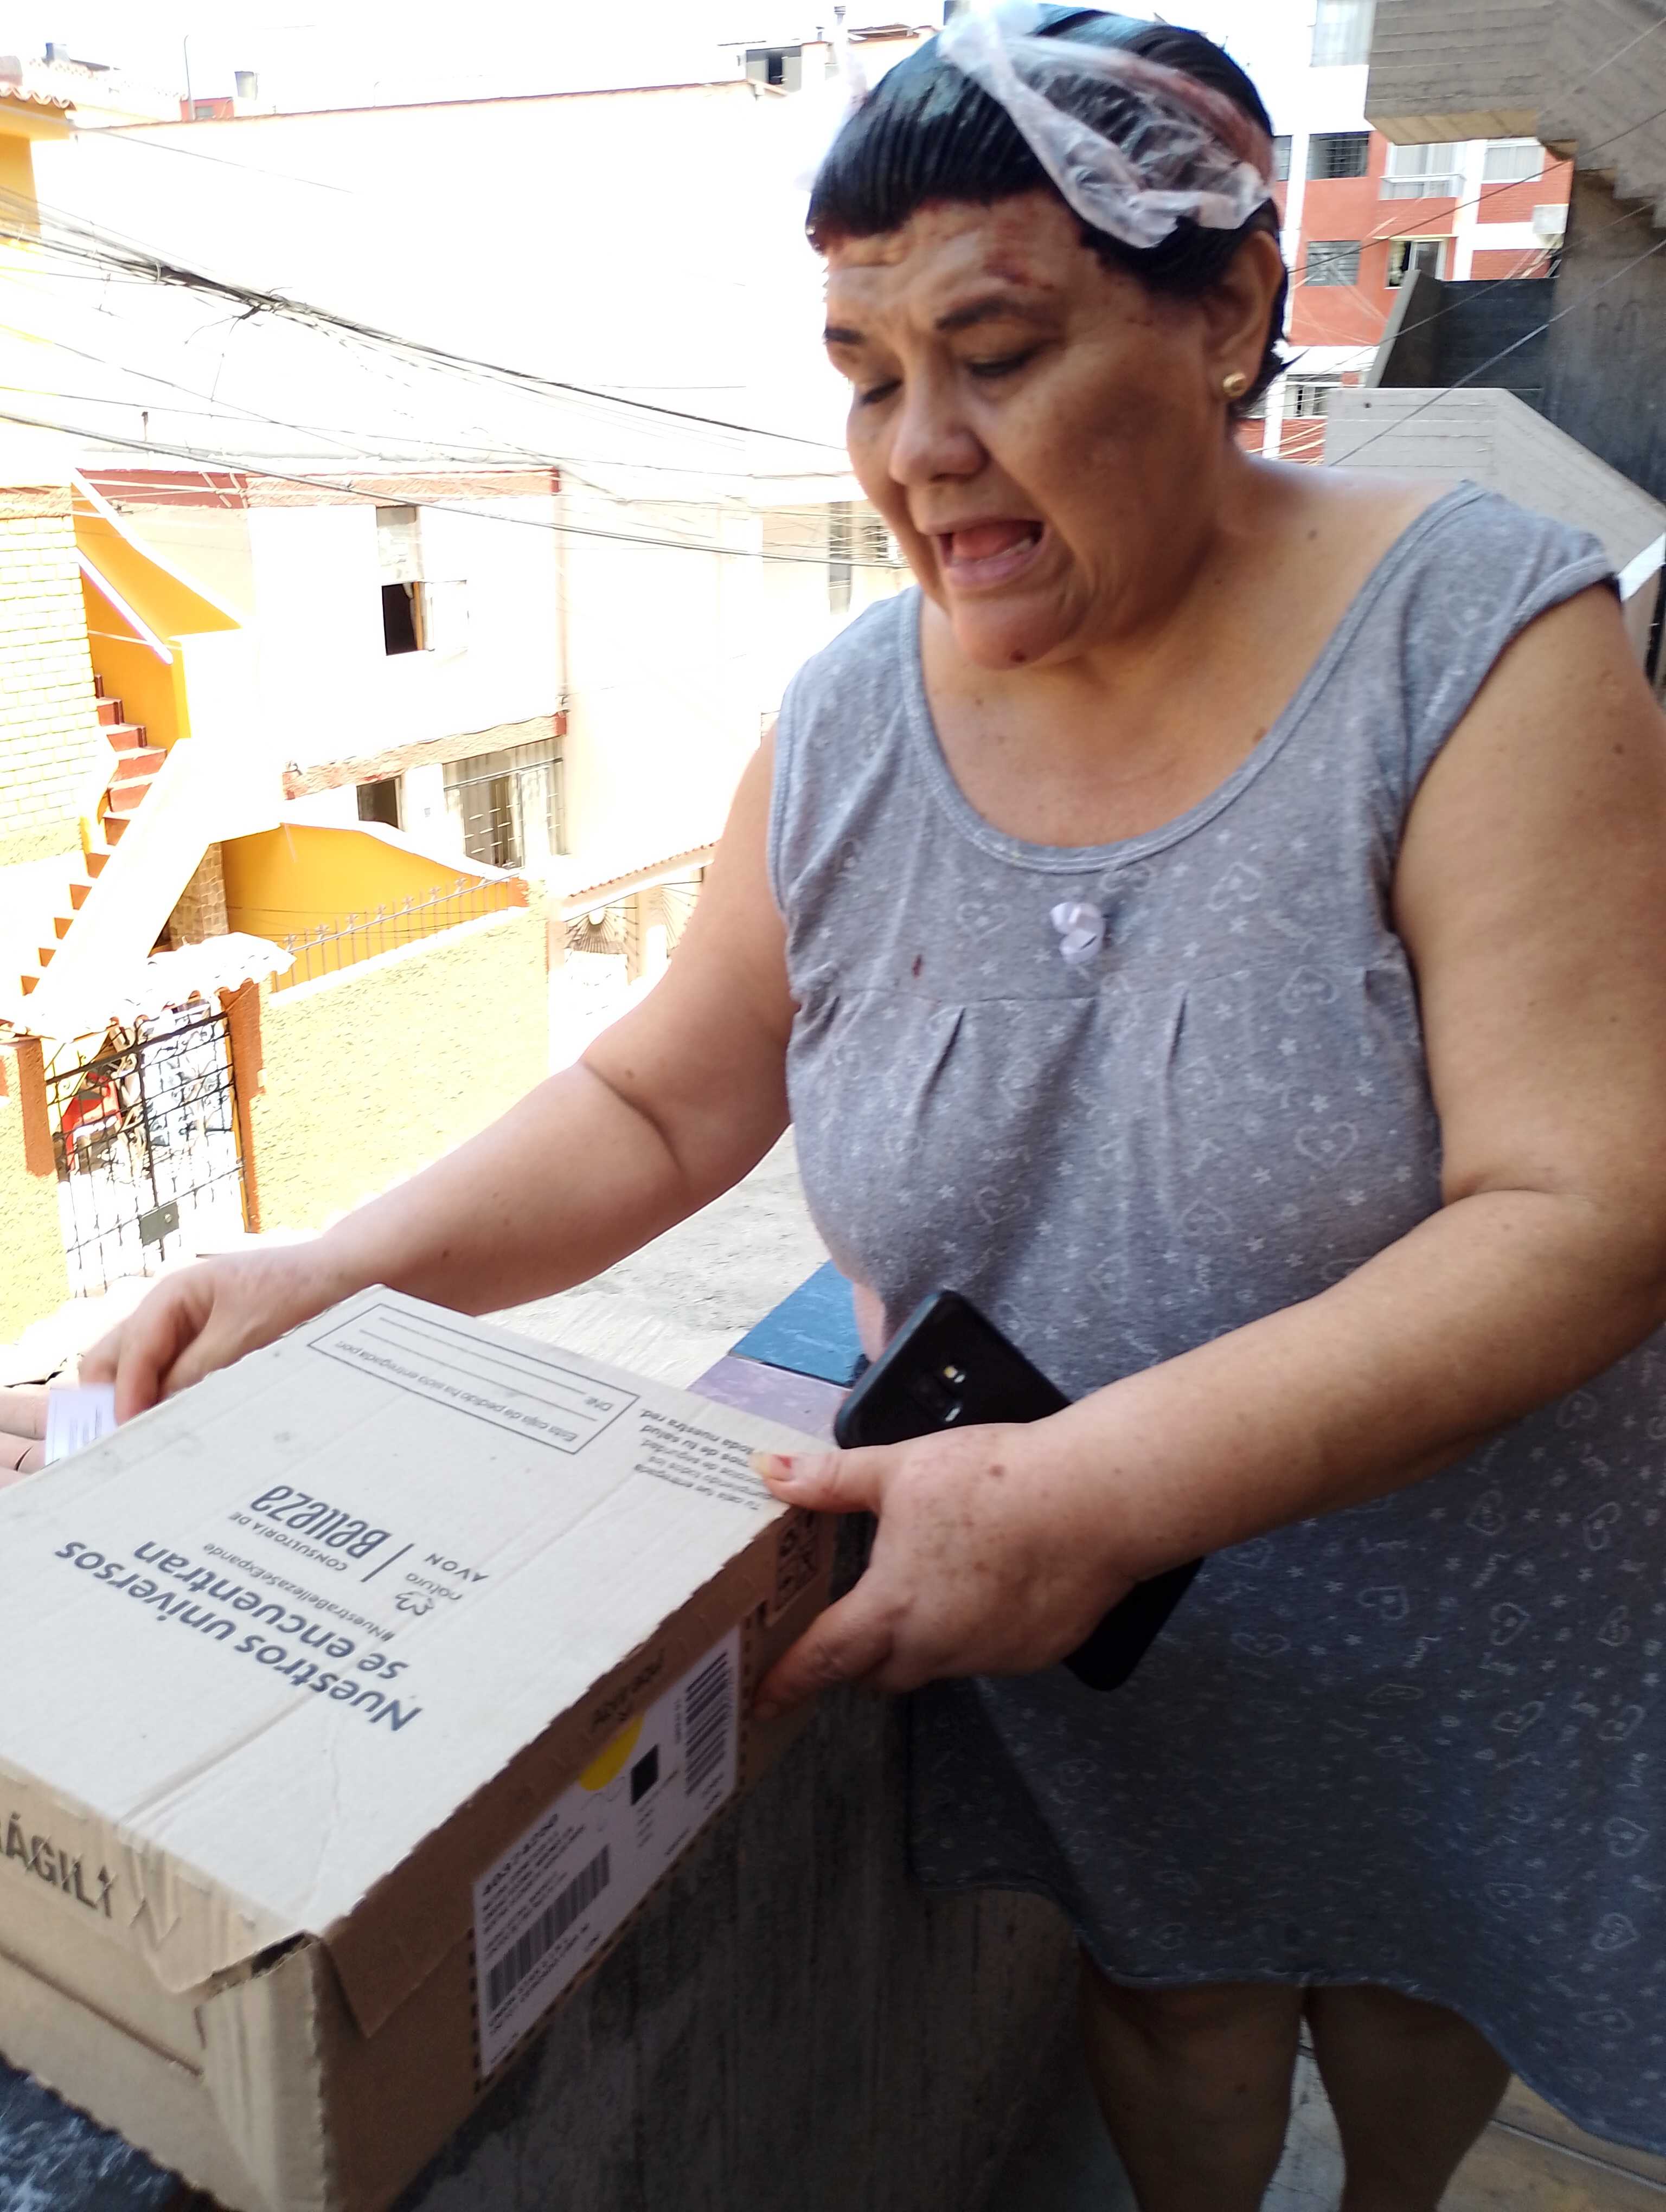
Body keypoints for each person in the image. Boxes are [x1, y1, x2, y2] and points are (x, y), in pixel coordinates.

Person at [52, 8, 1666, 2204]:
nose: (921, 452)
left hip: (1440, 1563)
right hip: (1073, 1597)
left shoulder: (1472, 641)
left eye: (995, 355)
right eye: (866, 374)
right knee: (1171, 1993)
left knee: (1408, 1995)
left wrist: (1100, 1487)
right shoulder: (841, 724)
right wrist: (339, 1274)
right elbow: (657, 1102)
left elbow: (1584, 1206)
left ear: (1226, 309)